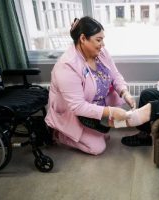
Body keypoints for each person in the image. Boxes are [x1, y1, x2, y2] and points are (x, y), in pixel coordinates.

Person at [45, 16, 135, 155]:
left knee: (104, 134)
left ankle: (92, 129)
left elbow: (115, 75)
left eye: (102, 39)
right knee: (97, 148)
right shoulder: (66, 66)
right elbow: (77, 106)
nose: (103, 44)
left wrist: (124, 92)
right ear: (82, 39)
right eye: (98, 40)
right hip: (73, 112)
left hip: (94, 103)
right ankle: (59, 134)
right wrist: (110, 112)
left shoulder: (101, 53)